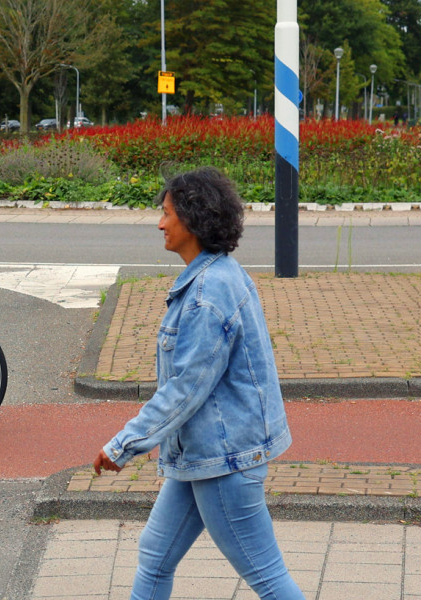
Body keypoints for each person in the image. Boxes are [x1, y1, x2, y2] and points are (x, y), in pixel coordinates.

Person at [93, 168, 302, 599]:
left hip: (224, 462)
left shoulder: (207, 294)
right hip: (207, 455)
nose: (160, 223)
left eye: (167, 213)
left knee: (268, 578)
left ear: (192, 220)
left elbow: (185, 390)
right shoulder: (221, 274)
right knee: (155, 555)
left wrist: (124, 444)